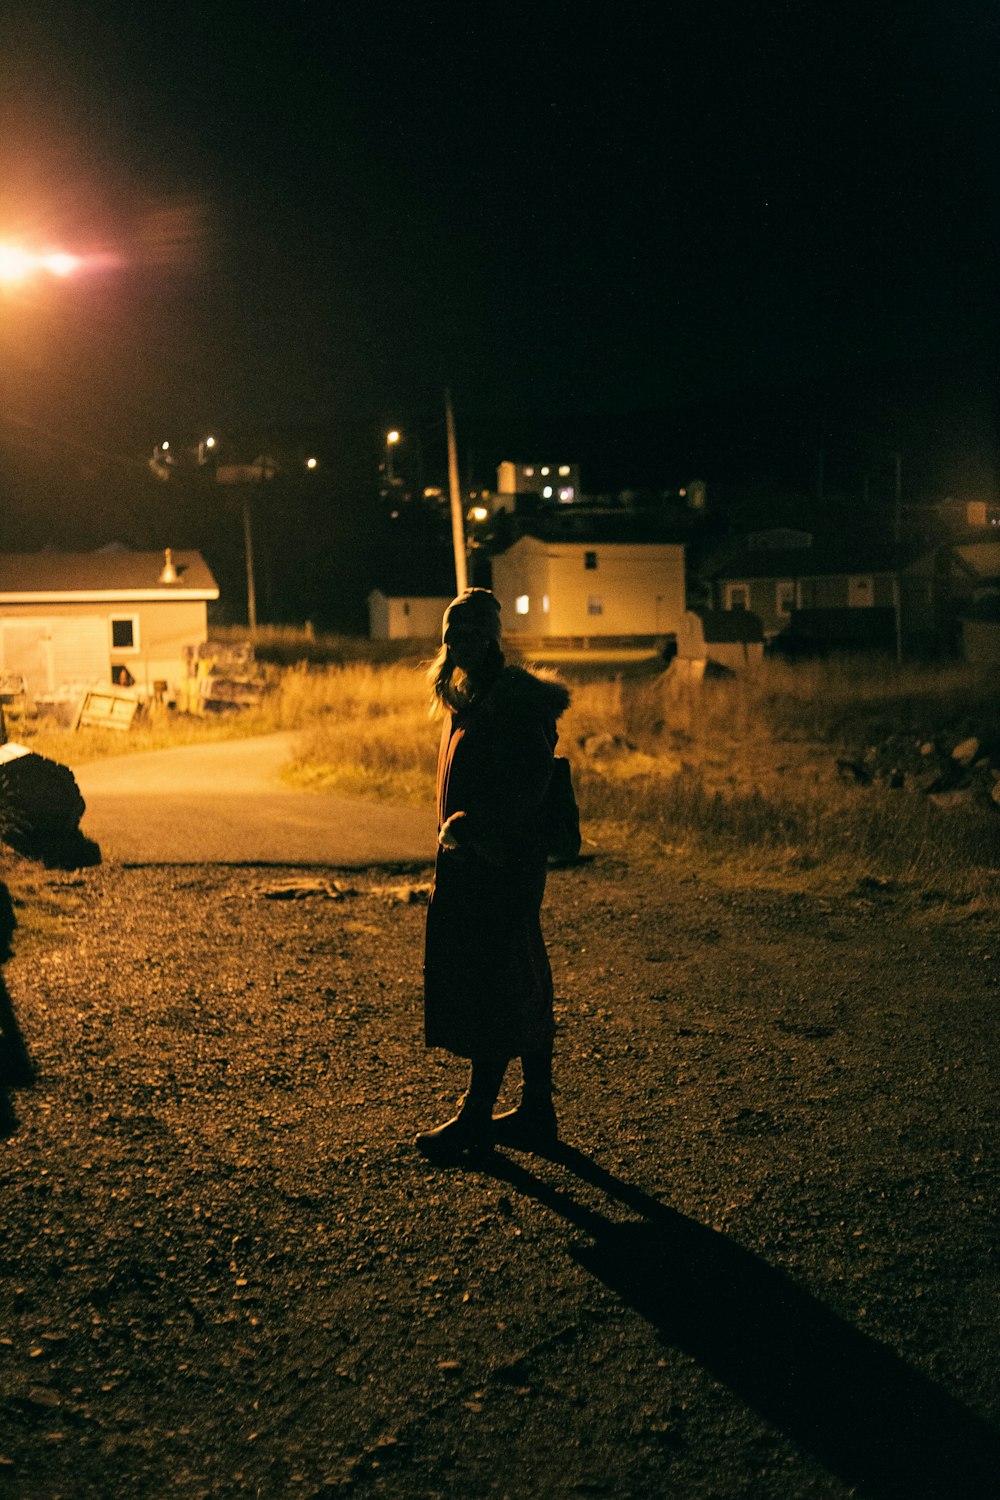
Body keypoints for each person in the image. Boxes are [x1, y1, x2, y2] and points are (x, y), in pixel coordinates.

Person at [416, 587, 570, 1159]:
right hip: (480, 865)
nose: (463, 642)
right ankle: (537, 1110)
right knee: (520, 978)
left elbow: (531, 784)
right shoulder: (474, 700)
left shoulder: (514, 702)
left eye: (475, 632)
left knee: (497, 984)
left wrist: (477, 832)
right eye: (454, 633)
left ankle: (477, 1117)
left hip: (501, 864)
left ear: (493, 637)